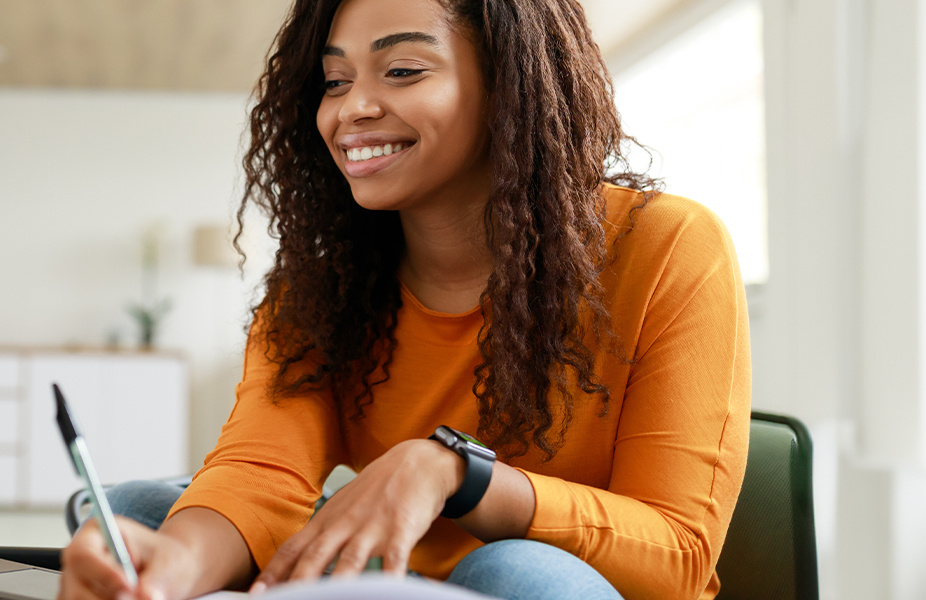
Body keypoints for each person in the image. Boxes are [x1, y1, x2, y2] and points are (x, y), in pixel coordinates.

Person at [58, 0, 750, 598]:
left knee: (516, 571)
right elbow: (259, 472)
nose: (352, 108)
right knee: (137, 514)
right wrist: (172, 568)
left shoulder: (669, 246)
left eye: (403, 71)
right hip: (391, 577)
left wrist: (456, 473)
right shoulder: (321, 288)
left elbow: (679, 558)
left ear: (509, 86)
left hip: (551, 581)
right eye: (335, 80)